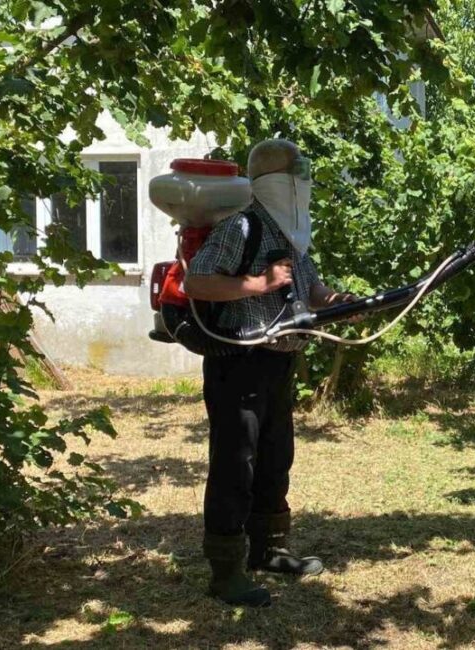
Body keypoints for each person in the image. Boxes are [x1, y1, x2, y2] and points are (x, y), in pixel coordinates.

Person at [185, 139, 355, 607]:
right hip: (239, 363)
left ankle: (269, 552)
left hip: (280, 361)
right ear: (270, 181)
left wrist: (339, 304)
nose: (302, 180)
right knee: (235, 465)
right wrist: (257, 283)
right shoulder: (241, 226)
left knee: (276, 458)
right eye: (293, 172)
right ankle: (225, 573)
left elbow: (312, 288)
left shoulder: (293, 234)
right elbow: (196, 280)